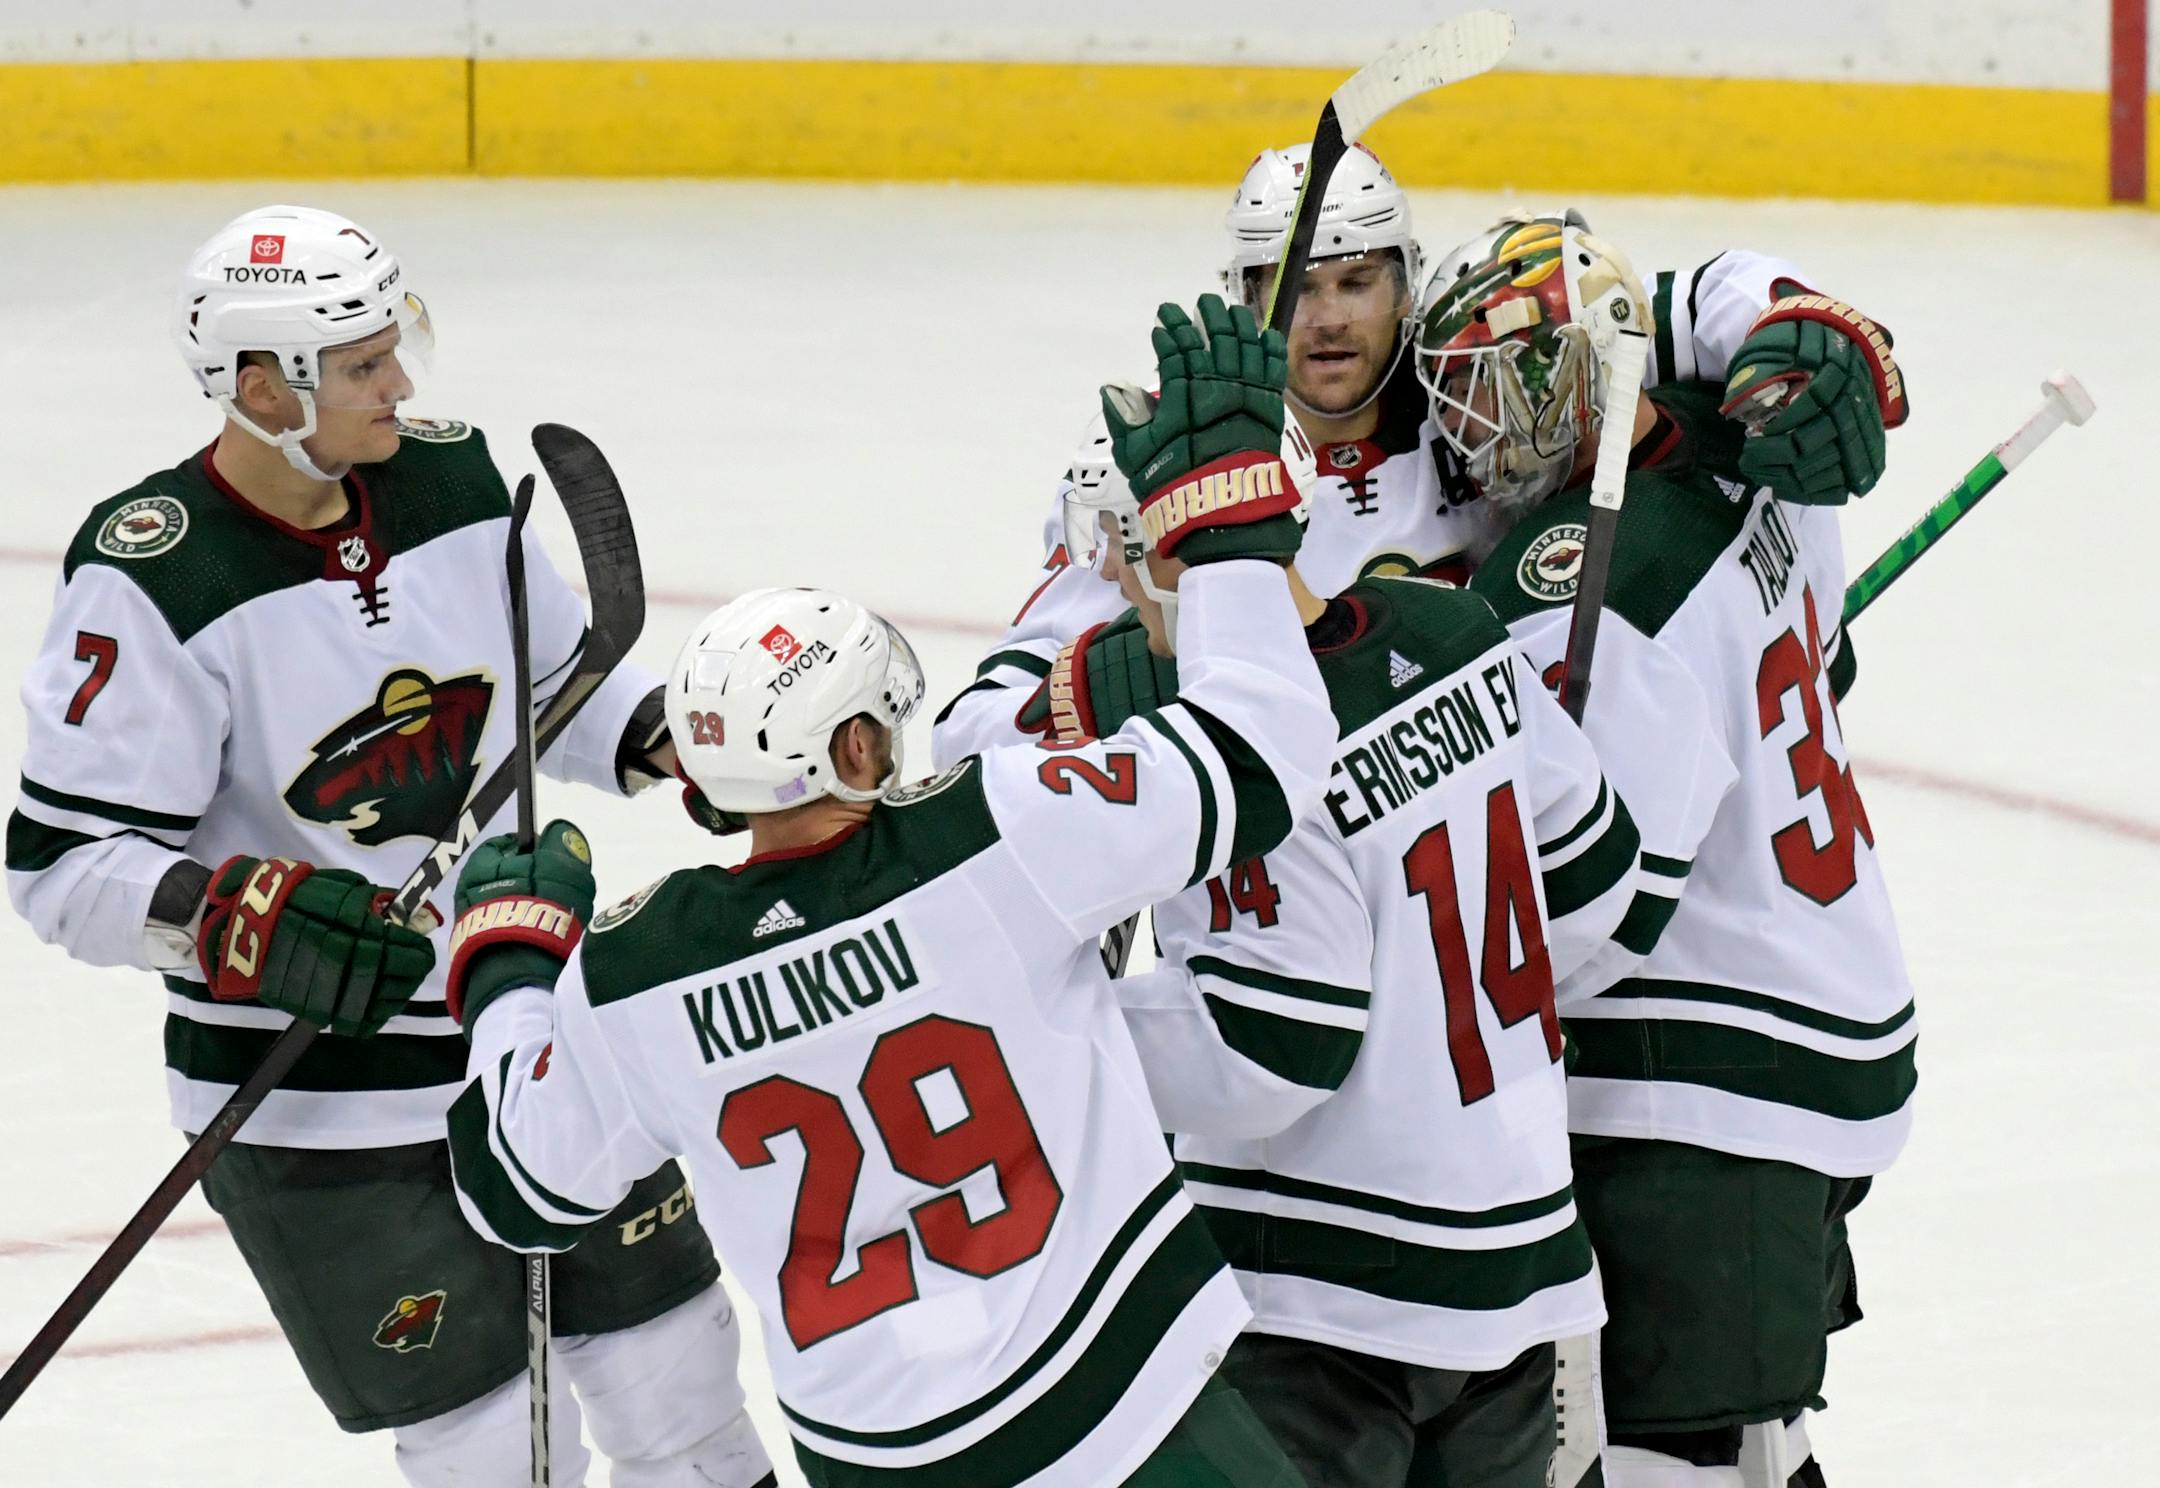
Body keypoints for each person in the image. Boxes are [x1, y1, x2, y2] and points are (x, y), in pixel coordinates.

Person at [442, 295, 1341, 1487]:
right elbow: (1259, 750)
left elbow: (516, 1186)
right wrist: (1225, 525)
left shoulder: (635, 971)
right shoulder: (993, 834)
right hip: (1126, 1420)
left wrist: (509, 966)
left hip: (883, 1463)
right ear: (857, 752)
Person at [5, 204, 771, 1488]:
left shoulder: (454, 482)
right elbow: (61, 865)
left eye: (391, 346)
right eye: (361, 366)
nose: (400, 383)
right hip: (315, 1106)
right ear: (261, 389)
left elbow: (547, 694)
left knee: (683, 1392)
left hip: (527, 1033)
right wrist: (232, 915)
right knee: (491, 1458)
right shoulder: (152, 577)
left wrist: (662, 740)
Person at [1007, 411, 1646, 1486]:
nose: (1116, 592)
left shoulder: (1240, 754)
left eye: (1123, 563)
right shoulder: (1445, 627)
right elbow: (1595, 879)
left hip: (1323, 1294)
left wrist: (1048, 1031)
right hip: (1520, 1249)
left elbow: (1267, 1055)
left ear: (1180, 556)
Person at [1421, 214, 1916, 1488]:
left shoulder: (1585, 575)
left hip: (1699, 1077)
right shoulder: (1753, 447)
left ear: (1585, 367)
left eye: (1501, 386)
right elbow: (1829, 660)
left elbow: (1598, 904)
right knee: (1756, 1441)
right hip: (1811, 1014)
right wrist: (1802, 312)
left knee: (1659, 1460)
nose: (1470, 438)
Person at [930, 142, 1875, 769]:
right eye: (1294, 288)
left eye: (1356, 281)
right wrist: (1094, 693)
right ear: (1242, 296)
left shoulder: (1490, 374)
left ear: (1407, 280)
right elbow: (971, 732)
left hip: (1530, 834)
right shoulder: (1172, 467)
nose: (1328, 317)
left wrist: (1801, 328)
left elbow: (1698, 298)